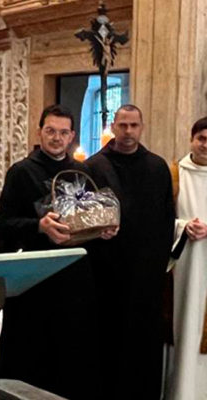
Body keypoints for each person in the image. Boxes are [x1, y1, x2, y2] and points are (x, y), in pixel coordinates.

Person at [0, 104, 115, 398]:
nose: (56, 138)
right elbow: (4, 225)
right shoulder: (22, 172)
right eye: (50, 131)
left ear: (72, 136)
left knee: (75, 349)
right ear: (40, 132)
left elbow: (90, 216)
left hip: (75, 278)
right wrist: (39, 226)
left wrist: (103, 229)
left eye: (63, 132)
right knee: (35, 350)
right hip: (37, 279)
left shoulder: (83, 171)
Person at [85, 104, 175, 399]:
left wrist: (158, 266)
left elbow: (166, 219)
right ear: (113, 125)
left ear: (142, 127)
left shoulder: (157, 166)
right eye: (122, 125)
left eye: (133, 126)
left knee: (144, 344)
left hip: (147, 276)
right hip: (106, 274)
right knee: (108, 343)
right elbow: (84, 218)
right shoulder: (94, 166)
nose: (127, 132)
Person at [166, 117, 207, 400]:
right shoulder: (174, 173)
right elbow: (160, 218)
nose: (205, 145)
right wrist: (182, 226)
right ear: (191, 138)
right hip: (181, 264)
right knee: (180, 326)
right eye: (201, 138)